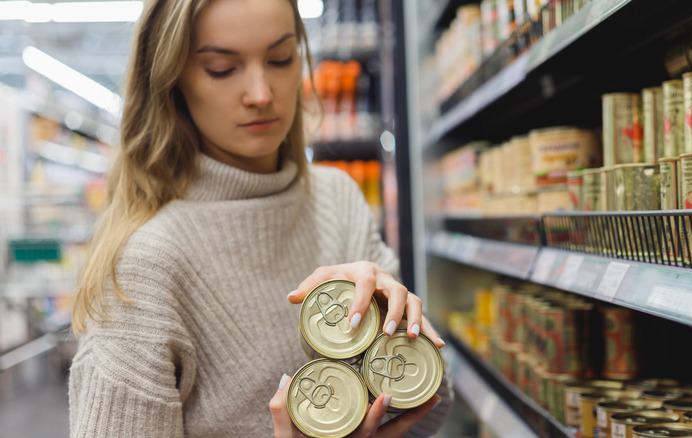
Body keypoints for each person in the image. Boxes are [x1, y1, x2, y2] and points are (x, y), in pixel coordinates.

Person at [67, 0, 452, 436]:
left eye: (281, 58)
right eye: (221, 68)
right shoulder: (143, 265)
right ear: (170, 80)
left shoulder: (337, 198)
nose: (261, 94)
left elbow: (431, 412)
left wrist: (397, 332)